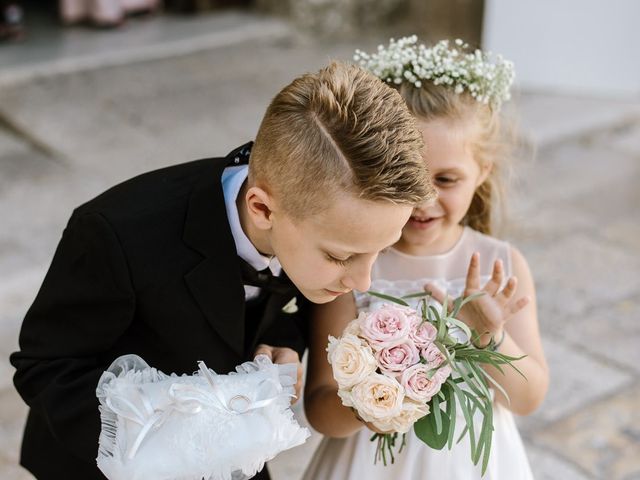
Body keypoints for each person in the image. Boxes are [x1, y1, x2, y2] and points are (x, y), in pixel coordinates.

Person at [10, 60, 434, 480]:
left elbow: (268, 311)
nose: (362, 282)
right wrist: (157, 443)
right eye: (341, 257)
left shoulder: (310, 224)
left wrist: (277, 343)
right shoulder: (117, 233)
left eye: (380, 250)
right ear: (262, 208)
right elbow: (46, 366)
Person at [303, 37, 549, 479]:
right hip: (368, 463)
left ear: (483, 172)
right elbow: (321, 408)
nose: (424, 197)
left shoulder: (500, 265)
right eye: (409, 174)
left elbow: (529, 399)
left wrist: (489, 338)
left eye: (447, 178)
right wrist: (375, 399)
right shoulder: (355, 264)